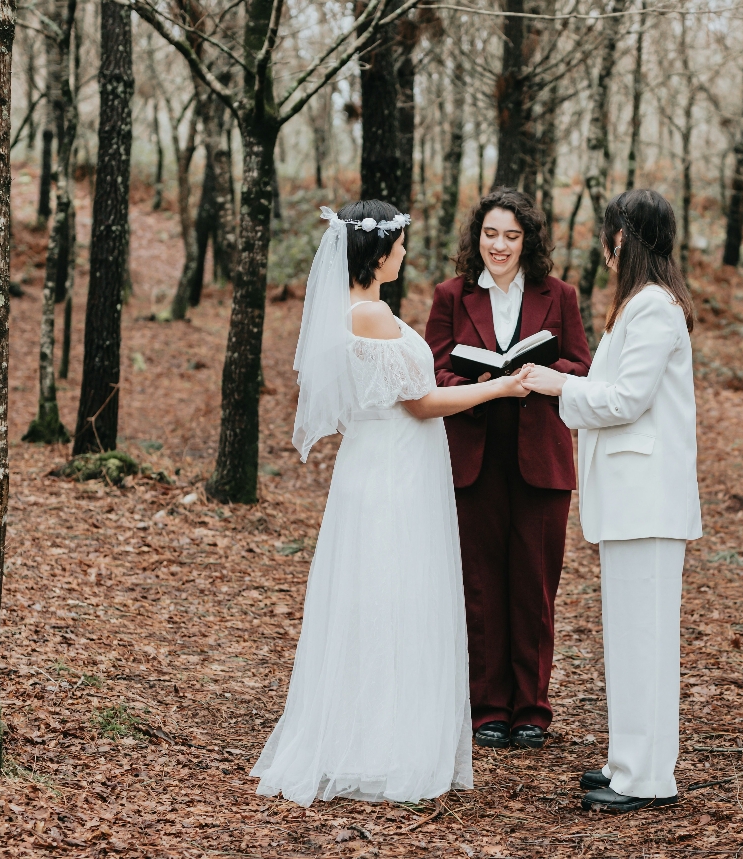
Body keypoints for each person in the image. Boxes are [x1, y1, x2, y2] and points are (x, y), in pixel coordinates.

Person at [251, 201, 532, 806]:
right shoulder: (370, 314)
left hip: (384, 464)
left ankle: (374, 735)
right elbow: (422, 402)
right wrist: (502, 385)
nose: (405, 253)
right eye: (400, 245)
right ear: (378, 254)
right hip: (392, 474)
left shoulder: (358, 310)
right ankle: (382, 746)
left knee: (379, 596)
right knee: (391, 597)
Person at [521, 188, 701, 813]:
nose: (605, 247)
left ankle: (649, 778)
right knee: (628, 639)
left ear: (626, 239)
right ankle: (628, 763)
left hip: (647, 500)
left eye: (611, 234)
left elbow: (625, 399)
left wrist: (556, 385)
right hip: (631, 500)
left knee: (645, 640)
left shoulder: (654, 308)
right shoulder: (638, 306)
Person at [424, 189, 592, 751]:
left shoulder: (560, 295)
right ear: (478, 237)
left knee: (534, 587)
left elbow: (581, 366)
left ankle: (532, 710)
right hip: (473, 456)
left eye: (512, 236)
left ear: (529, 242)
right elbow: (432, 373)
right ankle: (487, 708)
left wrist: (541, 371)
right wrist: (477, 385)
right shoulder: (451, 296)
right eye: (491, 234)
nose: (499, 245)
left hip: (540, 460)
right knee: (480, 586)